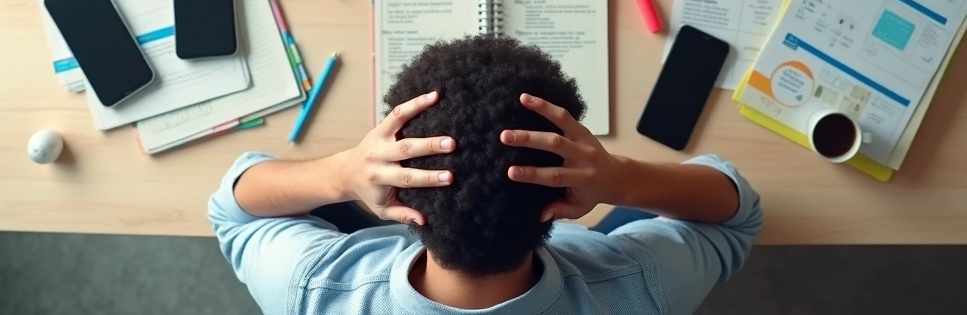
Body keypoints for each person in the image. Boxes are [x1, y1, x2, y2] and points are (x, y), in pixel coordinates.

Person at [209, 36, 763, 314]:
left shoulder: (314, 288)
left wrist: (341, 174)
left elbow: (233, 208)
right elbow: (736, 212)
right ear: (561, 202)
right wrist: (619, 180)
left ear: (401, 198)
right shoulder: (637, 286)